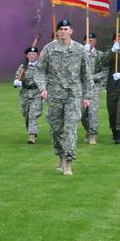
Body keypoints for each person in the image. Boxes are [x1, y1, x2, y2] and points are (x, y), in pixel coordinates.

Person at [33, 19, 92, 176]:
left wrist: (87, 96)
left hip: (74, 95)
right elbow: (39, 70)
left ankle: (68, 162)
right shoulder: (49, 48)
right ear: (57, 32)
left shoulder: (79, 49)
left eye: (66, 29)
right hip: (55, 96)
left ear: (71, 31)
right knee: (57, 129)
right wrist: (42, 88)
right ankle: (60, 155)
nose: (63, 32)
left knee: (70, 128)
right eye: (61, 29)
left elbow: (87, 75)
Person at [81, 33, 107, 144]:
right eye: (87, 40)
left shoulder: (100, 55)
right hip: (81, 86)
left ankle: (92, 134)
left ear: (95, 42)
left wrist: (92, 77)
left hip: (95, 86)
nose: (89, 42)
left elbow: (105, 72)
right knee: (82, 113)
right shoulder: (79, 54)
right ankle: (88, 129)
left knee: (93, 111)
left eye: (91, 40)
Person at [14, 46, 43, 144]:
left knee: (33, 114)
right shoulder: (23, 67)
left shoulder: (41, 66)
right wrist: (17, 82)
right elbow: (17, 77)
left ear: (37, 55)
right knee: (26, 114)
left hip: (37, 93)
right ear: (27, 55)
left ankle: (31, 135)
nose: (32, 56)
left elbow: (44, 78)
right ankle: (33, 132)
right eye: (30, 54)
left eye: (34, 54)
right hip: (25, 94)